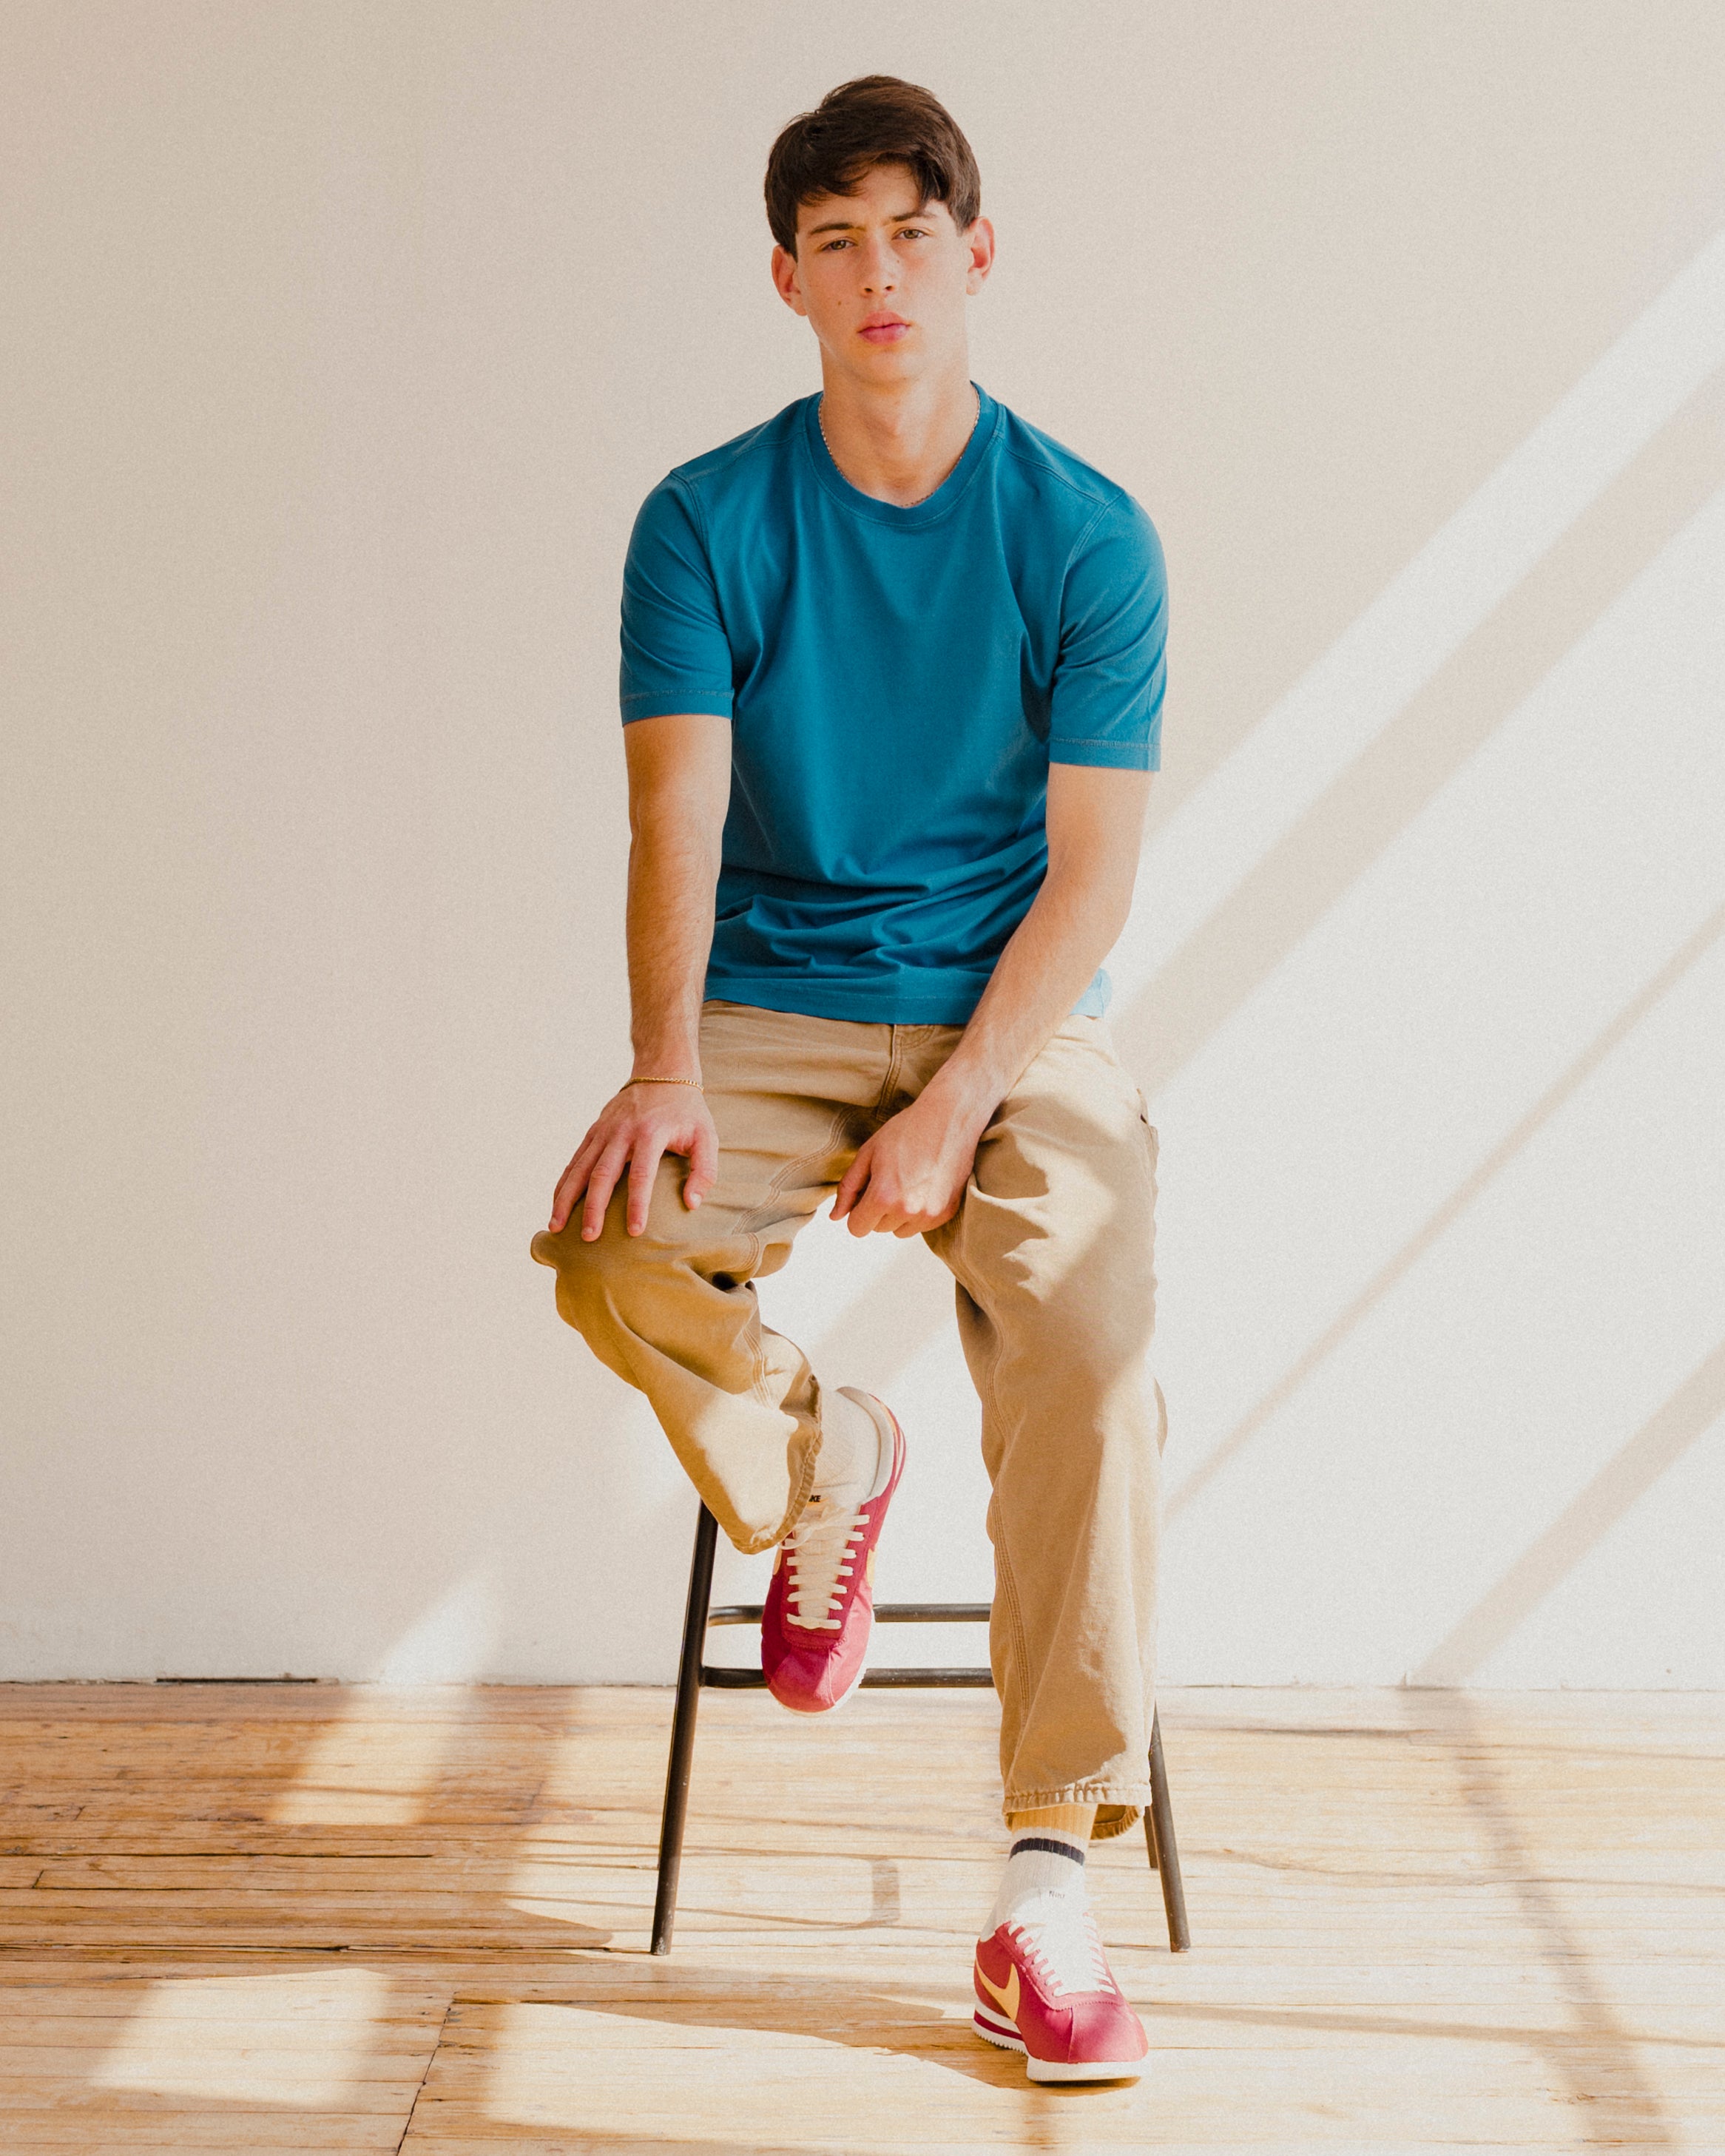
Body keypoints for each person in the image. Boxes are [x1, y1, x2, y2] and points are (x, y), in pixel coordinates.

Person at [532, 75, 1168, 2084]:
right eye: (836, 241)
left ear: (976, 257)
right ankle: (831, 1451)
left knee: (1085, 1341)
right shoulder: (703, 523)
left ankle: (1045, 1879)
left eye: (910, 233)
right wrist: (662, 1065)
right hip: (777, 997)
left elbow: (1091, 876)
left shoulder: (1085, 534)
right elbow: (675, 816)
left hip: (1012, 1015)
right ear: (786, 279)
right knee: (609, 1245)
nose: (877, 272)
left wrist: (963, 1096)